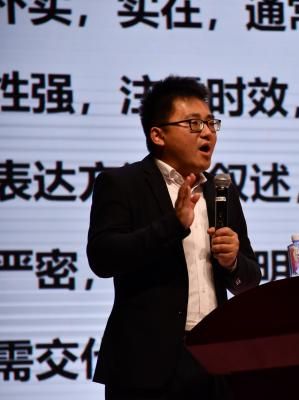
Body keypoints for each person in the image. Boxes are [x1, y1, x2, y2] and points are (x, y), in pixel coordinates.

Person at [87, 75, 262, 399]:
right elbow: (102, 257)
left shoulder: (221, 191)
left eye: (211, 123)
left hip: (214, 362)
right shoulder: (122, 183)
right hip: (144, 366)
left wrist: (233, 262)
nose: (207, 132)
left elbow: (249, 281)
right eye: (194, 124)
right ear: (158, 135)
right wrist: (172, 225)